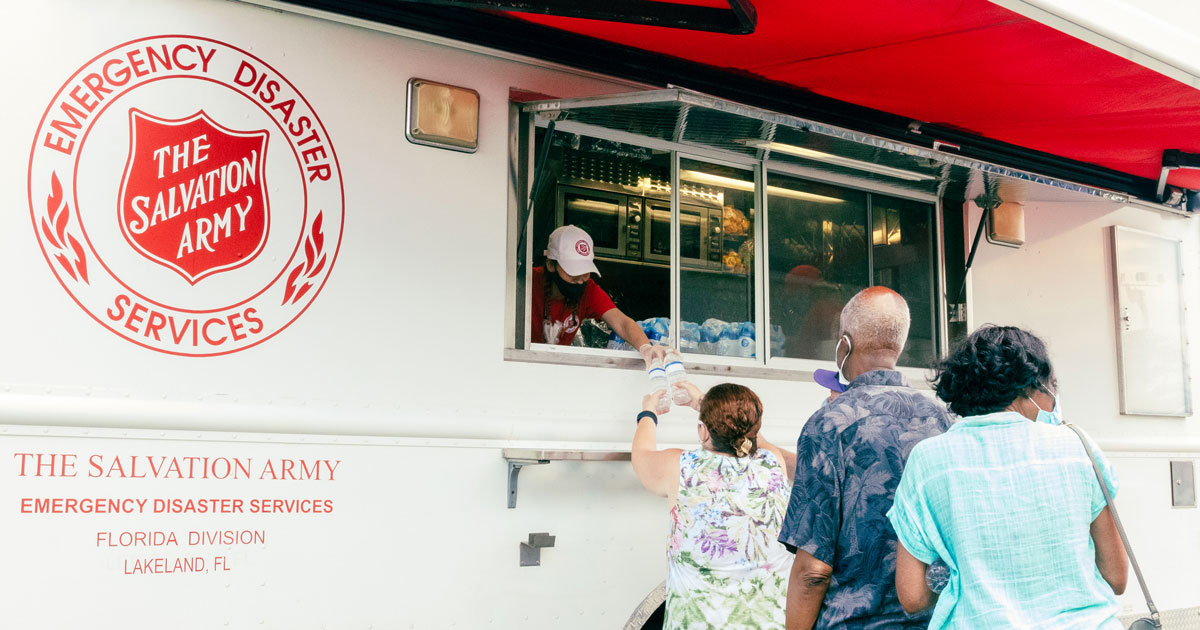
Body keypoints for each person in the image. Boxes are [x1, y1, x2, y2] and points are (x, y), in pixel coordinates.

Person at [887, 325, 1128, 629]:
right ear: (1031, 386)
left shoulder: (928, 459)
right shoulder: (1077, 446)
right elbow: (1117, 578)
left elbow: (913, 596)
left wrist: (968, 580)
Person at [779, 286, 953, 630]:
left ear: (844, 344)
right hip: (936, 622)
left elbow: (814, 570)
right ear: (899, 346)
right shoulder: (944, 421)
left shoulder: (829, 425)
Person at [632, 381, 796, 630]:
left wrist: (648, 412)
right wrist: (701, 401)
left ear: (703, 431)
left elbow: (641, 455)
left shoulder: (680, 467)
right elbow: (754, 439)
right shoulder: (773, 463)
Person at [532, 225, 664, 363]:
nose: (580, 279)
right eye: (573, 272)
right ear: (550, 265)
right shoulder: (527, 282)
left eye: (585, 272)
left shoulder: (588, 290)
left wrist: (646, 348)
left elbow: (622, 322)